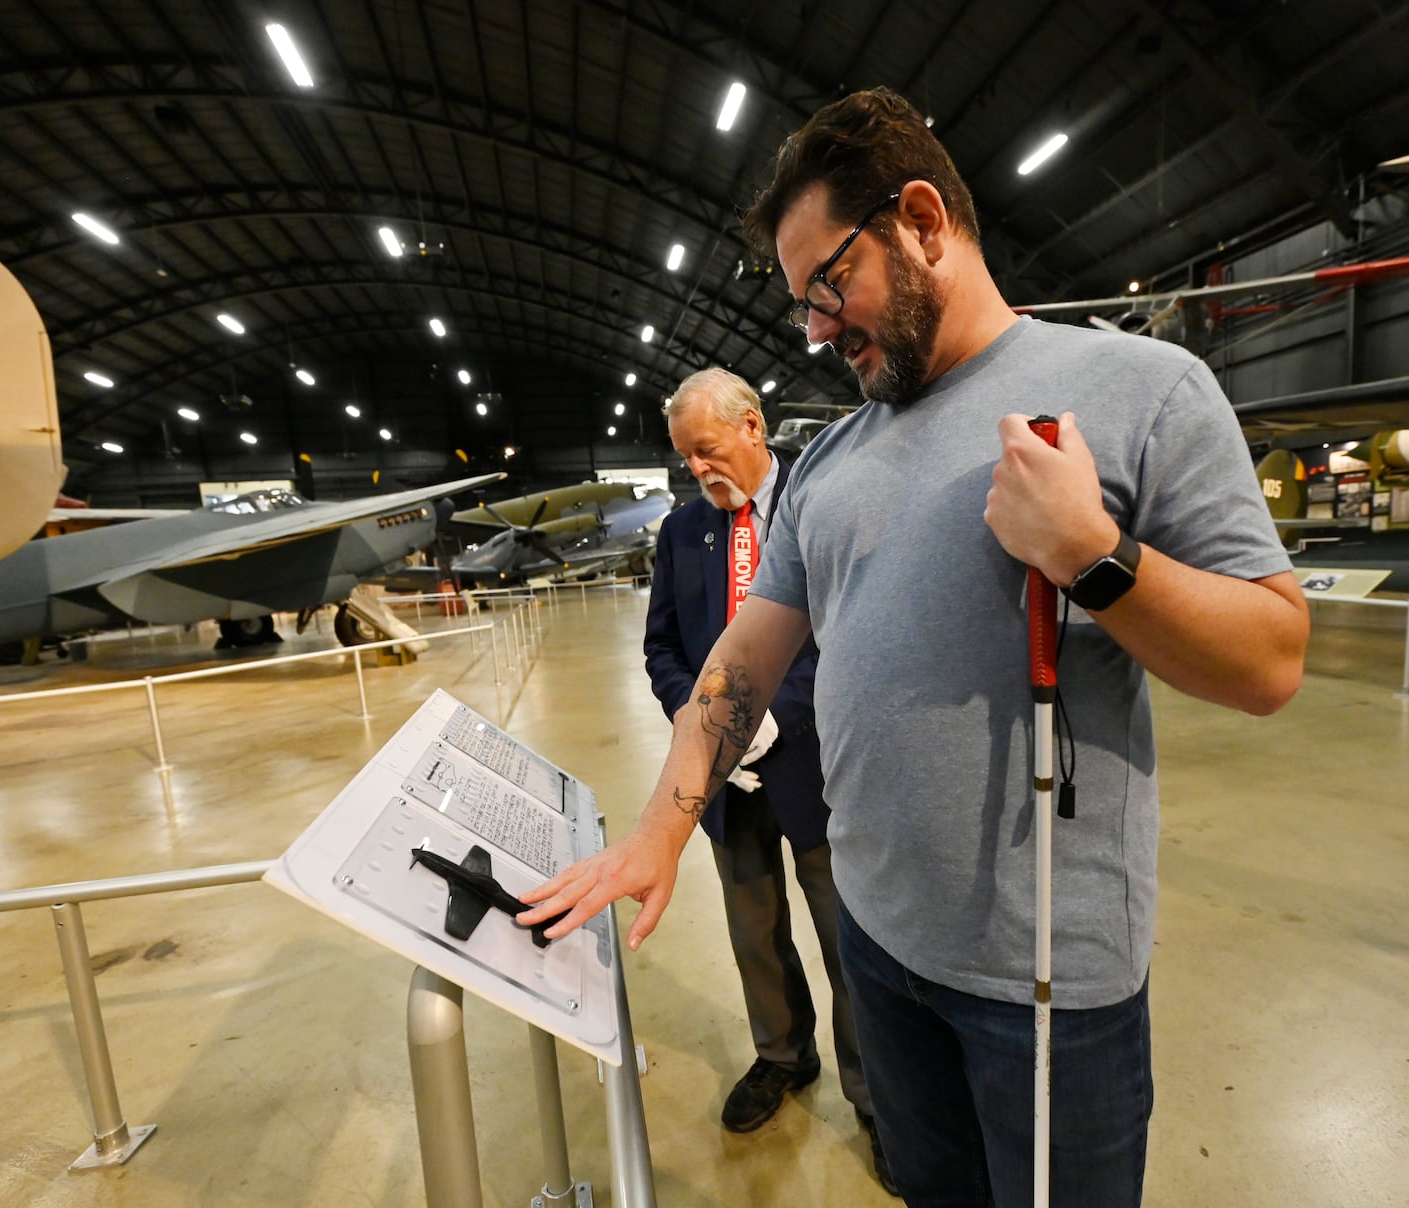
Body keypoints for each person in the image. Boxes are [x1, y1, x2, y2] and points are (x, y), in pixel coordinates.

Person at [522, 86, 1309, 1208]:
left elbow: (1273, 659)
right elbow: (742, 660)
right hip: (880, 955)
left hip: (1046, 989)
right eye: (800, 302)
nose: (815, 326)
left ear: (925, 221)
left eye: (830, 280)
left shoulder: (1143, 391)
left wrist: (1095, 554)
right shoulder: (830, 457)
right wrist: (658, 827)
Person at [647, 367, 888, 1187]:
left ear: (753, 427)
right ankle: (783, 1056)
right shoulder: (682, 533)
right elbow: (664, 651)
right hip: (725, 780)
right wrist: (710, 722)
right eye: (685, 459)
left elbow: (854, 627)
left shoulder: (816, 502)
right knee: (754, 931)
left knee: (847, 942)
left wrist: (774, 714)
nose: (698, 470)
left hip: (819, 766)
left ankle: (875, 1098)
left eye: (707, 450)